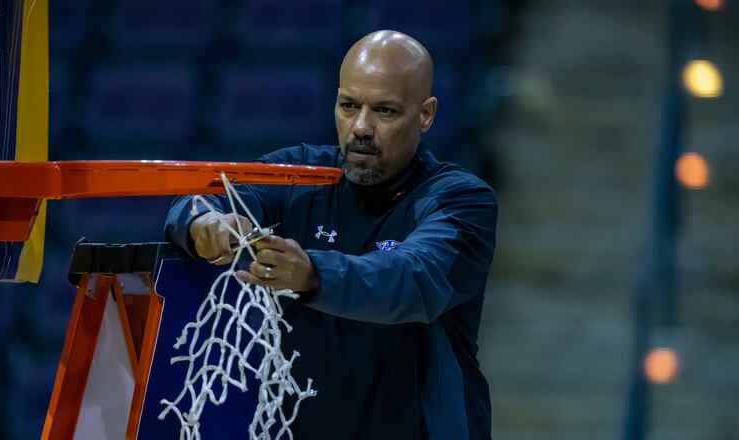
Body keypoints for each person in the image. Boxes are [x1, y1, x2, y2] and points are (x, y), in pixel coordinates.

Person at [166, 30, 497, 440]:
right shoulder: (298, 175)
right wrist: (205, 224)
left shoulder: (462, 199)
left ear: (425, 115)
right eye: (348, 106)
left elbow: (413, 277)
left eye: (385, 111)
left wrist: (312, 274)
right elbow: (197, 202)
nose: (361, 127)